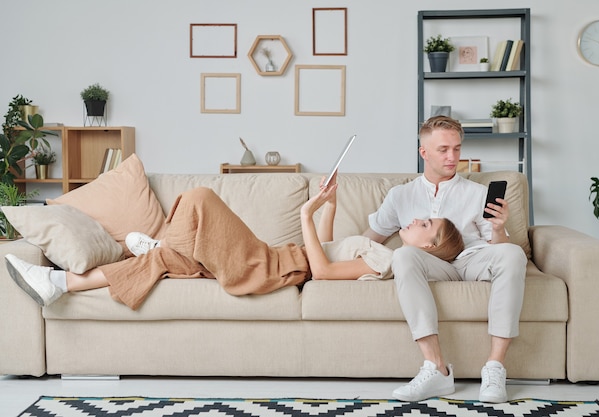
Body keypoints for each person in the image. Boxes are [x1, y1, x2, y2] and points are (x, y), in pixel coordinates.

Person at [5, 173, 465, 311]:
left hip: (269, 266)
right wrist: (328, 204)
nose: (418, 218)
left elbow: (321, 273)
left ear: (427, 247)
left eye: (427, 224)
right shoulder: (380, 251)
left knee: (201, 198)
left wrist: (304, 213)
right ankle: (60, 284)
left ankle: (167, 243)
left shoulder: (387, 264)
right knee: (164, 259)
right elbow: (326, 250)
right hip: (280, 258)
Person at [363, 115, 527, 403]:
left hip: (472, 260)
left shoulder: (478, 193)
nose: (453, 157)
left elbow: (498, 250)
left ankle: (495, 367)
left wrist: (499, 229)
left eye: (457, 148)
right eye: (443, 150)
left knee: (513, 253)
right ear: (424, 152)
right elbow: (368, 241)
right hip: (431, 265)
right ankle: (436, 368)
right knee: (403, 256)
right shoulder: (400, 195)